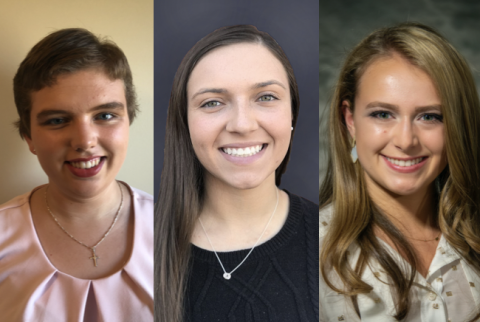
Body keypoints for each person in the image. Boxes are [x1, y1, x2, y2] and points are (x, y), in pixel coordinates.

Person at [155, 25, 319, 322]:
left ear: (292, 113)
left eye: (266, 97)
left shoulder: (333, 239)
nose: (242, 125)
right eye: (213, 102)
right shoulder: (140, 246)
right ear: (185, 123)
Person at [319, 22, 480, 321]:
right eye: (383, 114)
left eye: (430, 116)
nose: (406, 141)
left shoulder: (472, 238)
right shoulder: (308, 254)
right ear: (350, 119)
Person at [0, 28, 153, 321]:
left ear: (128, 122)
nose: (84, 141)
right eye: (58, 120)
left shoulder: (178, 229)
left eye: (105, 115)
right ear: (29, 137)